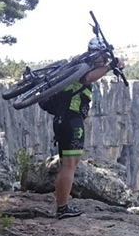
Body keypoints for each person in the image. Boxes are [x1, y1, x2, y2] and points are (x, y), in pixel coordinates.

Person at [51, 37, 124, 219]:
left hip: (62, 119)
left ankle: (62, 205)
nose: (104, 61)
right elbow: (88, 78)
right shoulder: (85, 69)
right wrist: (109, 67)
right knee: (70, 165)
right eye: (103, 58)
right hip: (72, 120)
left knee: (66, 164)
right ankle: (62, 208)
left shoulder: (78, 63)